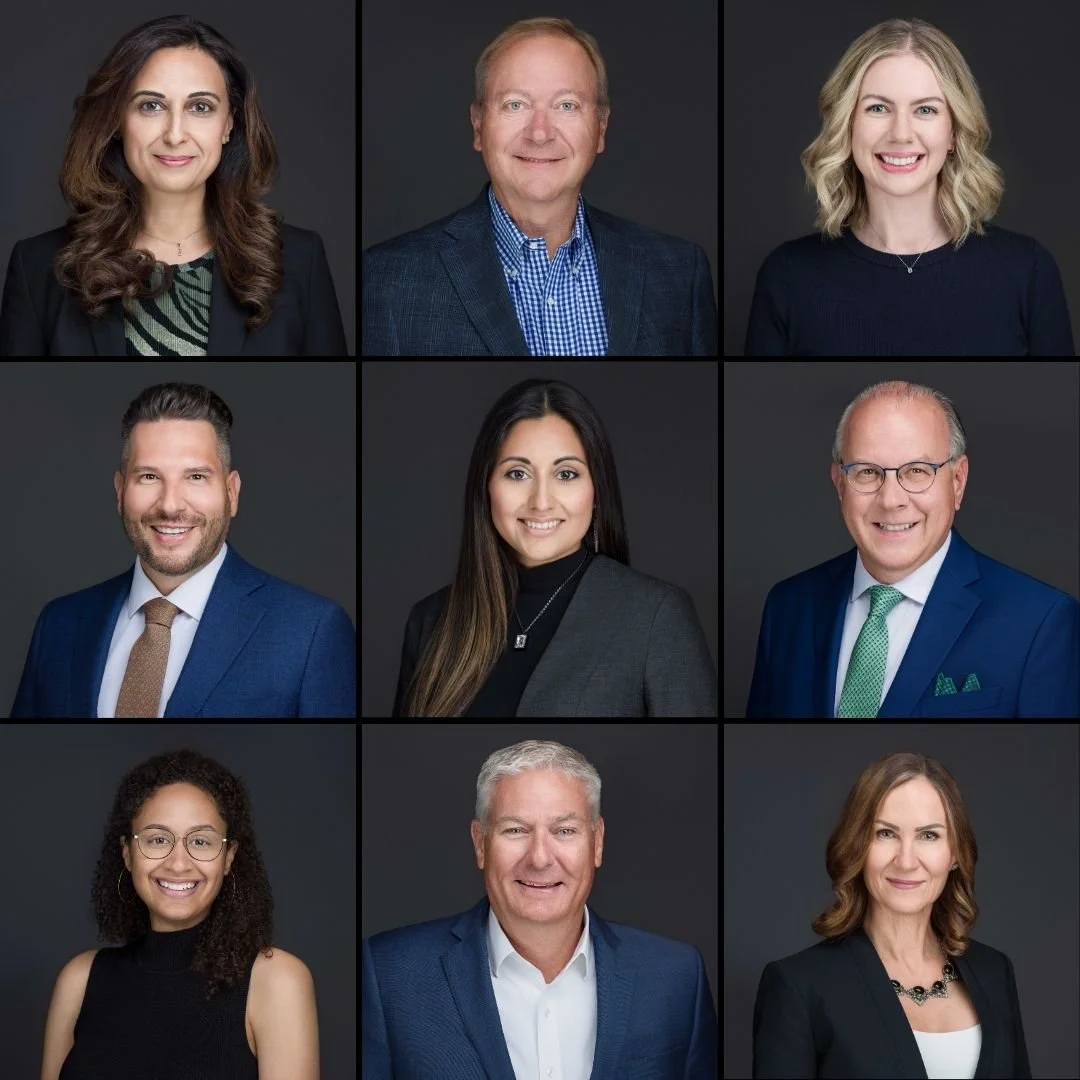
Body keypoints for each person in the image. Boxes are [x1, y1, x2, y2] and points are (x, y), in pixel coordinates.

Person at [362, 17, 717, 356]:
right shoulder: (390, 280)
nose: (540, 133)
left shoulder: (679, 272)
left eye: (567, 105)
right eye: (515, 104)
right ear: (478, 125)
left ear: (601, 128)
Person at [362, 740, 718, 1078]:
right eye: (516, 830)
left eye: (564, 831)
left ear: (597, 842)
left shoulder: (676, 978)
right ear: (480, 843)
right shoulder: (388, 973)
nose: (540, 858)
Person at [0, 15, 347, 356]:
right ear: (118, 120)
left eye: (200, 107)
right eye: (151, 106)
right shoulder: (37, 268)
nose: (175, 135)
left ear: (229, 124)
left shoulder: (301, 262)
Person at [10, 382, 356, 718]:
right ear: (119, 491)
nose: (170, 505)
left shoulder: (310, 631)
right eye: (148, 477)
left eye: (195, 477)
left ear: (231, 493)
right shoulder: (59, 624)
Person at [746, 379, 1080, 718]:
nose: (891, 500)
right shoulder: (787, 608)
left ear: (958, 480)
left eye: (917, 471)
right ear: (839, 483)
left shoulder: (1041, 622)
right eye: (866, 472)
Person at [743, 18, 1074, 356]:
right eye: (878, 108)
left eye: (926, 109)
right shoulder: (788, 276)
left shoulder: (1027, 271)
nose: (901, 133)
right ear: (848, 125)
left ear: (954, 131)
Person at [391, 377, 717, 717]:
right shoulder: (430, 621)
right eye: (517, 473)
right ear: (486, 487)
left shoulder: (657, 617)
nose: (541, 502)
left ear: (597, 490)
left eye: (566, 474)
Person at [40, 748, 318, 1080]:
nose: (178, 863)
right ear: (127, 853)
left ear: (229, 857)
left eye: (201, 842)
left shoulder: (277, 980)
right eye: (158, 839)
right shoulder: (80, 978)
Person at [751, 752, 1031, 1079]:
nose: (906, 860)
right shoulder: (798, 985)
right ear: (857, 846)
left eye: (929, 835)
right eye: (885, 833)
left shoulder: (995, 971)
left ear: (954, 854)